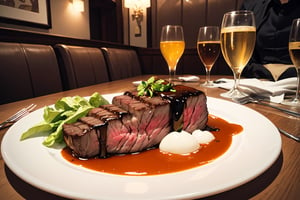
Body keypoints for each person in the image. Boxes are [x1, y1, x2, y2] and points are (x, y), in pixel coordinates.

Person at [240, 0, 300, 81]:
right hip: (258, 82)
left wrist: (284, 72)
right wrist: (263, 71)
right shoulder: (250, 7)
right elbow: (241, 61)